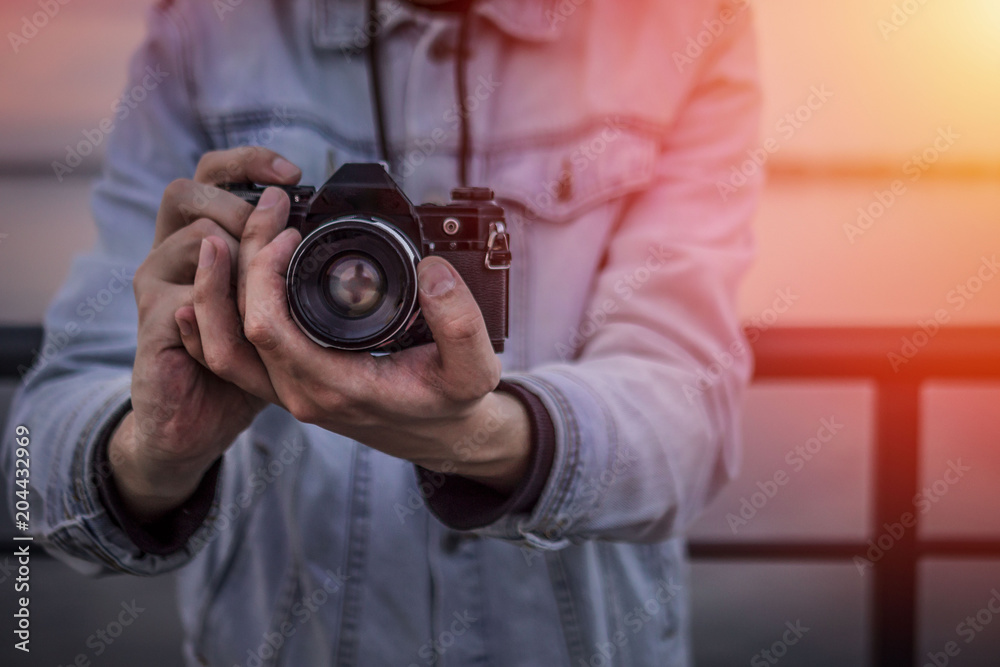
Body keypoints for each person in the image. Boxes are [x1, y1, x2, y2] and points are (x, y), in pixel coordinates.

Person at [5, 0, 761, 664]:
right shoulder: (208, 27)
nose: (360, 284)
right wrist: (157, 447)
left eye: (367, 277)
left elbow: (689, 417)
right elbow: (29, 460)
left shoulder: (686, 22)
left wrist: (485, 437)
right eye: (340, 267)